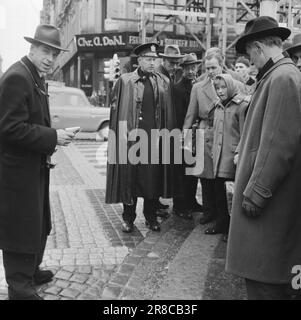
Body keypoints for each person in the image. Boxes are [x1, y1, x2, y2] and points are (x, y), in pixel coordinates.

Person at [226, 16, 301, 300]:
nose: (250, 61)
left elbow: (278, 145)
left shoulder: (282, 77)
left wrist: (255, 194)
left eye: (249, 55)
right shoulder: (280, 75)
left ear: (258, 47)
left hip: (268, 208)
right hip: (274, 206)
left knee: (265, 283)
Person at [0, 24, 75, 300]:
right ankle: (19, 288)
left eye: (54, 54)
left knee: (37, 222)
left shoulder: (34, 75)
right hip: (17, 172)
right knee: (20, 227)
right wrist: (54, 136)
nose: (50, 59)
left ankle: (31, 271)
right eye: (45, 51)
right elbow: (9, 128)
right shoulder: (18, 77)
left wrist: (52, 138)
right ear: (32, 48)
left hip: (31, 167)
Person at [105, 43, 178, 233]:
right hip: (131, 140)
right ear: (140, 60)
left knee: (152, 180)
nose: (153, 63)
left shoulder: (163, 82)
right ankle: (128, 218)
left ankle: (151, 217)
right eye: (148, 59)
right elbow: (115, 110)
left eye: (155, 59)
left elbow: (168, 113)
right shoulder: (125, 81)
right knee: (130, 179)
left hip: (154, 140)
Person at [212, 74, 248, 241]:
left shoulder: (241, 107)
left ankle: (231, 230)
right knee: (219, 195)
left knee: (231, 197)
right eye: (217, 88)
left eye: (223, 87)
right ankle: (221, 224)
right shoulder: (218, 107)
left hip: (232, 159)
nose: (219, 91)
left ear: (231, 86)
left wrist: (239, 152)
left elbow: (245, 133)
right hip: (218, 159)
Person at [173, 53, 203, 219]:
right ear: (183, 69)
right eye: (188, 68)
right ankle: (180, 206)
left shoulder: (197, 85)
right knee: (183, 173)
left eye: (194, 67)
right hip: (184, 134)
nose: (192, 70)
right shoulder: (178, 89)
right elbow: (178, 116)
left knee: (193, 172)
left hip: (196, 133)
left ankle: (191, 201)